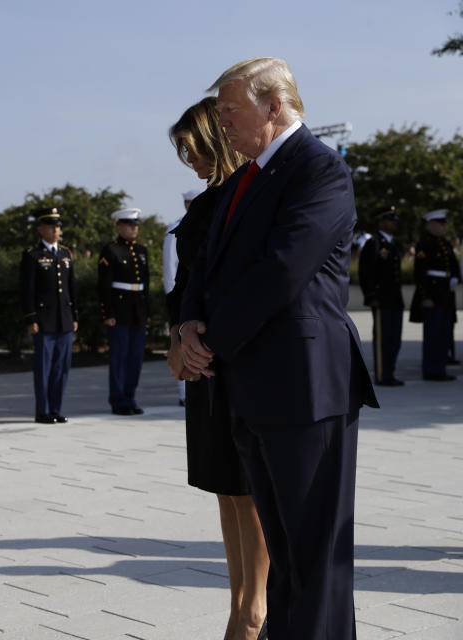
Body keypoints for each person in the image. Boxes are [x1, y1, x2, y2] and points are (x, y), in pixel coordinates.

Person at [179, 58, 378, 640]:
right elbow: (205, 263)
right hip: (253, 387)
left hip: (305, 390)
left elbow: (281, 272)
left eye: (230, 110)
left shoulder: (320, 171)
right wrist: (190, 322)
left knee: (315, 556)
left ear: (274, 107)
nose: (222, 121)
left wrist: (207, 343)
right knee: (286, 555)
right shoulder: (248, 177)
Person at [165, 96, 268, 640]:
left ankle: (254, 611)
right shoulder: (209, 200)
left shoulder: (243, 197)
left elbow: (244, 284)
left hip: (232, 363)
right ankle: (239, 603)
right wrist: (178, 337)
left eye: (194, 149)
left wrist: (199, 340)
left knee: (249, 492)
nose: (191, 160)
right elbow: (187, 287)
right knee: (227, 490)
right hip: (203, 363)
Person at [20, 207, 78, 424]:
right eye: (51, 226)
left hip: (64, 319)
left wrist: (75, 316)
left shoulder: (65, 254)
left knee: (61, 368)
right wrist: (31, 318)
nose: (56, 230)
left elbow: (72, 289)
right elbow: (27, 290)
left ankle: (56, 408)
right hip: (43, 321)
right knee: (43, 368)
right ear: (41, 228)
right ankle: (42, 411)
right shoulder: (32, 255)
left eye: (58, 226)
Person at [98, 208, 149, 415]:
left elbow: (145, 283)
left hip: (138, 313)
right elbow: (103, 285)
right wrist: (107, 313)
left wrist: (146, 313)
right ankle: (118, 401)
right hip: (119, 313)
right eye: (129, 225)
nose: (134, 228)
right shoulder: (111, 250)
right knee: (119, 358)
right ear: (119, 226)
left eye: (135, 225)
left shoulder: (142, 250)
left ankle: (130, 398)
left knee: (135, 359)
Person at [409, 209, 459, 381]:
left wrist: (454, 278)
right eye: (440, 223)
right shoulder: (424, 244)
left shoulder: (444, 244)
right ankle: (431, 370)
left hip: (446, 295)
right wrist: (425, 297)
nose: (443, 227)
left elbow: (453, 266)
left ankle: (440, 369)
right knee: (433, 335)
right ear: (430, 225)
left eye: (444, 224)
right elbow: (420, 274)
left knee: (444, 334)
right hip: (433, 295)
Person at [358, 208, 406, 386]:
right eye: (390, 220)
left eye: (395, 220)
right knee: (383, 338)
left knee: (395, 338)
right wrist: (371, 295)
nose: (394, 222)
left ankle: (389, 372)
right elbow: (366, 272)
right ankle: (381, 375)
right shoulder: (374, 244)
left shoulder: (393, 243)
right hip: (381, 299)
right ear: (381, 222)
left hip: (395, 299)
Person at [164, 189, 202, 406]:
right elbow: (171, 272)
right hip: (182, 296)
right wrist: (175, 311)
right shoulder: (176, 228)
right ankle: (183, 394)